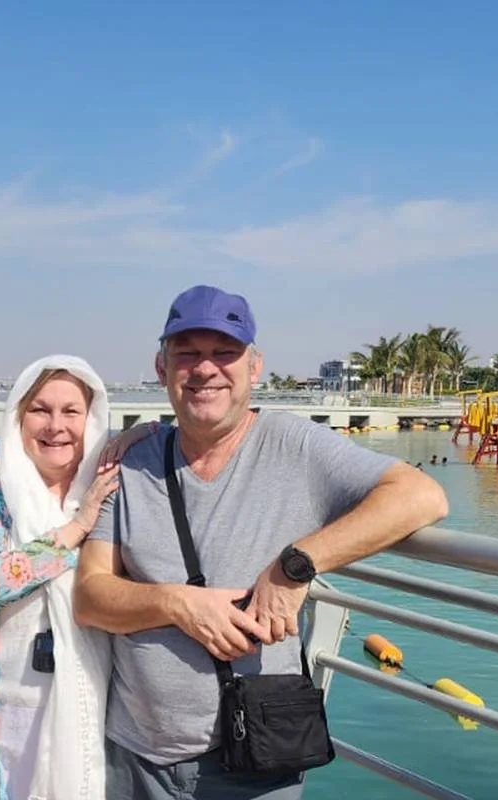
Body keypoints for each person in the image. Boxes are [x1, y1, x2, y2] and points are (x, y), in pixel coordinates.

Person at [74, 285, 449, 800]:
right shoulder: (133, 460)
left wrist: (294, 566)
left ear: (254, 367)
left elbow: (421, 496)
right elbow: (89, 595)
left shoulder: (294, 446)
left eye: (224, 352)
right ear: (162, 369)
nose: (206, 368)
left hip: (255, 756)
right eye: (187, 353)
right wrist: (178, 604)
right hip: (135, 755)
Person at [0, 355, 157, 800]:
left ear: (93, 420)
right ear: (18, 418)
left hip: (97, 705)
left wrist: (136, 435)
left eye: (71, 412)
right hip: (12, 709)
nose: (55, 426)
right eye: (40, 410)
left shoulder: (110, 493)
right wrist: (76, 529)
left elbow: (175, 440)